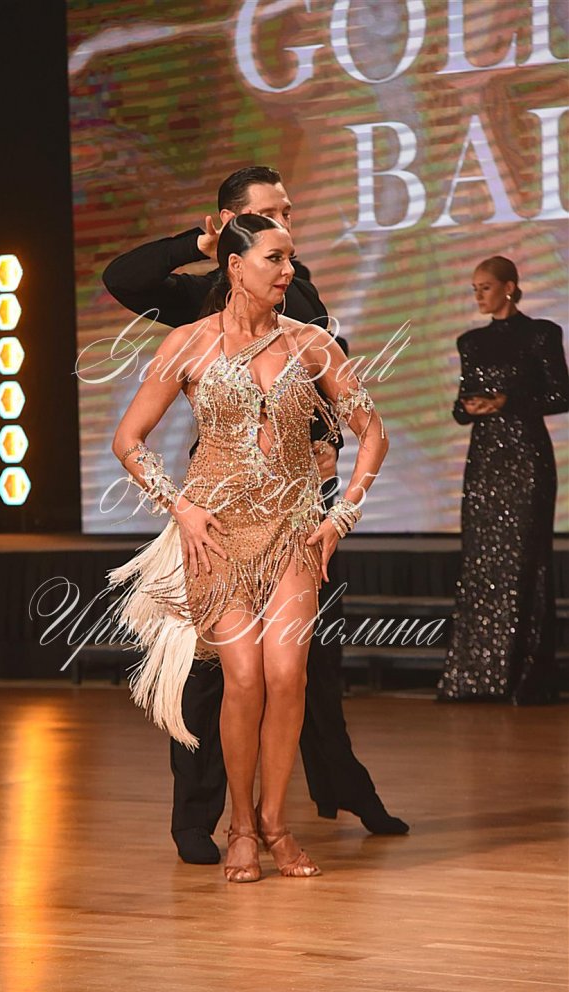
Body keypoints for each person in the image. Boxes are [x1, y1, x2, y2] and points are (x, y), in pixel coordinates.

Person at [104, 166, 408, 866]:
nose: (289, 262)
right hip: (217, 530)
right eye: (275, 246)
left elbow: (371, 430)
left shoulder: (309, 334)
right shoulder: (188, 331)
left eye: (290, 246)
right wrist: (181, 508)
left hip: (296, 527)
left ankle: (275, 824)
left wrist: (340, 515)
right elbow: (128, 439)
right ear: (234, 260)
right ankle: (234, 825)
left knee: (292, 677)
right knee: (236, 679)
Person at [439, 256, 569, 704]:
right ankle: (477, 678)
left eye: (486, 287)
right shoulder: (471, 342)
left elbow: (561, 395)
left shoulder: (541, 334)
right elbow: (460, 405)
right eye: (475, 288)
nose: (478, 295)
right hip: (485, 460)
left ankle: (524, 678)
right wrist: (470, 408)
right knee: (481, 561)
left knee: (526, 560)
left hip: (527, 459)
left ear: (509, 287)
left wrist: (507, 402)